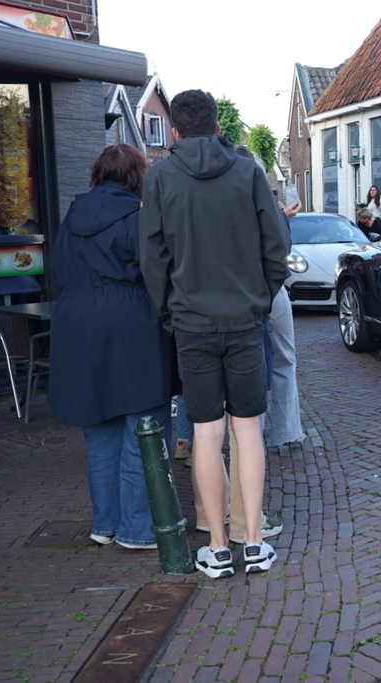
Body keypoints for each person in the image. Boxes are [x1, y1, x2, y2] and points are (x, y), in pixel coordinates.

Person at [140, 89, 290, 578]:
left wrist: (170, 313)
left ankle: (219, 548)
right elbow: (278, 244)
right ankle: (254, 542)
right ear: (219, 127)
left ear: (176, 132)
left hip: (191, 324)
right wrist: (260, 298)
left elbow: (153, 259)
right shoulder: (248, 172)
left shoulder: (160, 177)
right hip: (244, 320)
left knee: (205, 433)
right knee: (247, 430)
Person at [49, 143, 174, 551]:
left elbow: (59, 270)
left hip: (76, 326)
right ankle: (138, 529)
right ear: (138, 176)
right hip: (130, 325)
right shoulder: (138, 218)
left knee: (98, 427)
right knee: (143, 426)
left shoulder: (70, 218)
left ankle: (104, 524)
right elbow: (155, 272)